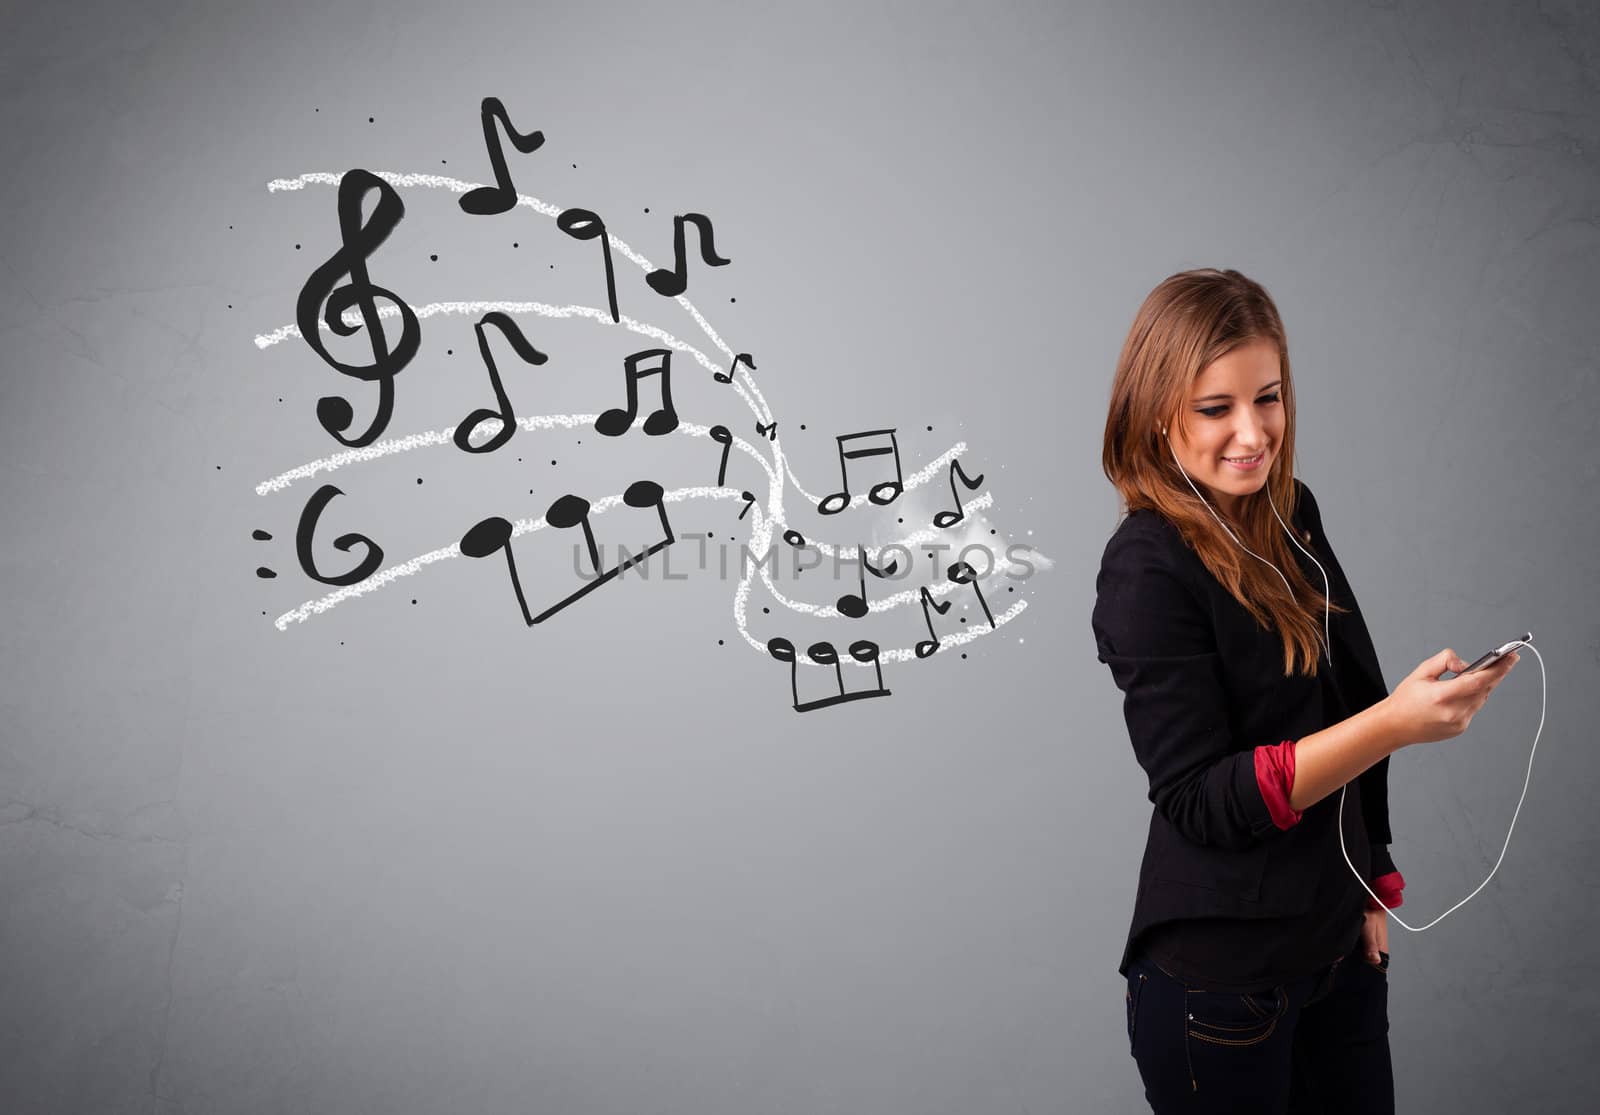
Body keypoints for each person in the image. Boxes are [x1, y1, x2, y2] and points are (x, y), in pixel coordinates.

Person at [1090, 268, 1520, 1114]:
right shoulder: (1144, 568)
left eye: (1270, 398)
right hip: (1219, 989)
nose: (1253, 434)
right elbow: (1203, 798)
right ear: (1156, 412)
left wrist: (1369, 875)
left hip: (1336, 955)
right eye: (1216, 408)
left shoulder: (1293, 511)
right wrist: (1397, 724)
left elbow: (1338, 702)